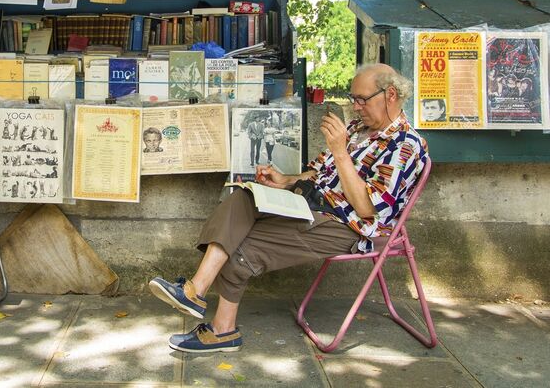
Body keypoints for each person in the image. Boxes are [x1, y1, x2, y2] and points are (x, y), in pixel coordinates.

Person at [148, 63, 428, 353]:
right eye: (352, 98)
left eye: (361, 99)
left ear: (390, 94)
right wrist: (286, 180)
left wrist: (341, 151)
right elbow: (319, 173)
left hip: (348, 225)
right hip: (312, 204)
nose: (355, 107)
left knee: (242, 245)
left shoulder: (405, 144)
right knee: (241, 197)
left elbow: (368, 208)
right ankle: (194, 291)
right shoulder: (359, 129)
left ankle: (223, 331)